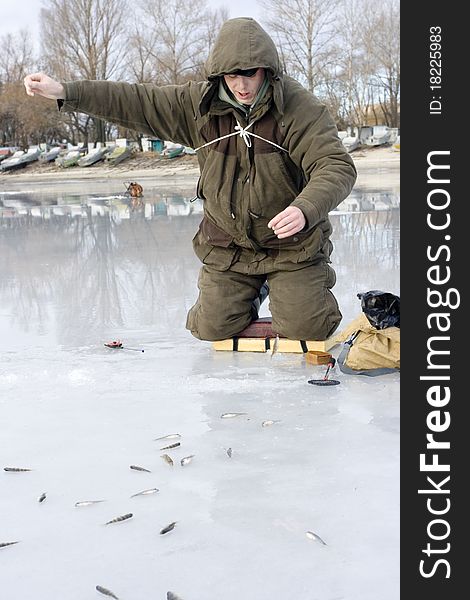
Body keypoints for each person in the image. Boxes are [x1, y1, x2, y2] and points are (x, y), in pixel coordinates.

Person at [24, 17, 356, 342]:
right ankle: (253, 290)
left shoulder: (298, 109)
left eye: (250, 74)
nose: (242, 85)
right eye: (232, 75)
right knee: (209, 328)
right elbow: (135, 101)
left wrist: (305, 208)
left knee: (309, 327)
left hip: (291, 248)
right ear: (220, 74)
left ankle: (292, 287)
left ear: (266, 69)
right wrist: (66, 92)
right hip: (230, 248)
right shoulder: (198, 106)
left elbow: (335, 165)